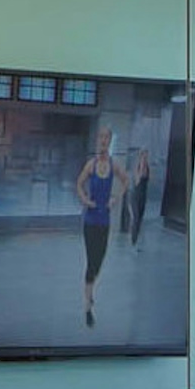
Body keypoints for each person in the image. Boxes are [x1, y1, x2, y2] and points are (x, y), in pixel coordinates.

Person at [75, 128, 119, 328]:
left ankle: (90, 291)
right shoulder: (91, 164)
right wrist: (85, 200)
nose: (103, 141)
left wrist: (115, 198)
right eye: (100, 137)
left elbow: (125, 181)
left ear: (110, 141)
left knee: (98, 262)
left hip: (105, 221)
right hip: (90, 222)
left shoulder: (113, 165)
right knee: (91, 262)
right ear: (97, 140)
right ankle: (87, 306)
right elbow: (79, 184)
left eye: (106, 138)